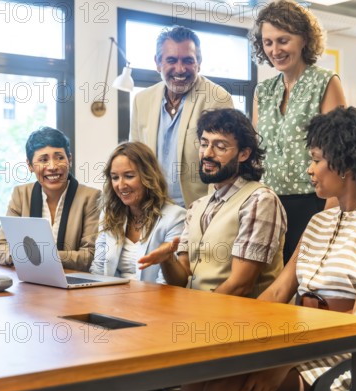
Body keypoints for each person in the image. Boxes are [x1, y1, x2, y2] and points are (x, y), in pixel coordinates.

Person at [180, 107, 356, 391]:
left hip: (355, 350)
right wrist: (234, 334)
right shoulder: (320, 221)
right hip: (303, 336)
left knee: (223, 389)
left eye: (316, 160)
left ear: (345, 166)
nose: (309, 169)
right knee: (195, 377)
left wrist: (287, 360)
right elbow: (277, 293)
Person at [139, 108, 286, 298]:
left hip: (244, 322)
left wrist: (197, 314)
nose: (207, 154)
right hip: (199, 314)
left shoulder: (260, 201)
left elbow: (241, 285)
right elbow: (183, 279)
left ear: (244, 154)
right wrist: (167, 260)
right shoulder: (196, 206)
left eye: (220, 146)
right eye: (204, 144)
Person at [251, 0, 347, 264]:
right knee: (272, 283)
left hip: (313, 202)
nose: (274, 50)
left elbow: (339, 154)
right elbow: (258, 153)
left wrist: (330, 213)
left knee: (305, 285)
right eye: (268, 42)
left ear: (304, 39)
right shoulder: (263, 91)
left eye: (283, 40)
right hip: (269, 205)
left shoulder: (325, 82)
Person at [130, 25, 234, 208]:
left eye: (188, 60)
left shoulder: (218, 99)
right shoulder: (142, 100)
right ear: (158, 62)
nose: (180, 69)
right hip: (153, 209)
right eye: (171, 60)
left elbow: (223, 164)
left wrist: (209, 213)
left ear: (199, 62)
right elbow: (135, 159)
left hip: (196, 209)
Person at [0, 127, 100, 271]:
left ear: (70, 160)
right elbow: (0, 248)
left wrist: (39, 256)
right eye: (43, 160)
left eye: (60, 157)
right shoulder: (21, 194)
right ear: (30, 165)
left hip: (73, 283)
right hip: (29, 281)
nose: (52, 166)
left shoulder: (91, 197)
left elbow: (89, 256)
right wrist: (33, 256)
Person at [89, 142, 186, 283]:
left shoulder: (175, 217)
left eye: (128, 176)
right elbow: (98, 269)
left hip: (152, 300)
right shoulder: (109, 213)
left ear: (148, 176)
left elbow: (167, 284)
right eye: (115, 177)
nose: (120, 185)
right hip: (111, 299)